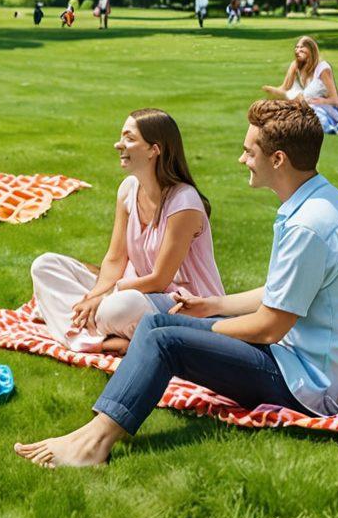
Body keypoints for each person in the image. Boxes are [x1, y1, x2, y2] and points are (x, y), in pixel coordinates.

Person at [15, 100, 338, 468]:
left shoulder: (307, 227)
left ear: (278, 160)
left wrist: (203, 329)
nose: (242, 159)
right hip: (308, 363)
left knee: (165, 339)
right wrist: (212, 307)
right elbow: (279, 292)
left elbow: (270, 327)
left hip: (307, 384)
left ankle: (95, 444)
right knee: (156, 323)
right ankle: (92, 430)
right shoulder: (322, 202)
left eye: (248, 151)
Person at [30, 109, 224, 354]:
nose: (118, 144)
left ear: (155, 149)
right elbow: (115, 257)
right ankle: (100, 328)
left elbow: (160, 280)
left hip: (183, 304)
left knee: (117, 308)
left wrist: (105, 298)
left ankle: (89, 333)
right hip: (134, 292)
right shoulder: (129, 189)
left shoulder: (183, 202)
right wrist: (95, 294)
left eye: (129, 138)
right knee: (45, 266)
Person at [261, 36, 338, 132]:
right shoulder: (295, 65)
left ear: (312, 50)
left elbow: (335, 101)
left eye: (302, 47)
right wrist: (271, 96)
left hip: (325, 109)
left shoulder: (323, 69)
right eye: (297, 47)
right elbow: (285, 88)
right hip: (305, 104)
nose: (298, 50)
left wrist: (317, 101)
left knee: (303, 119)